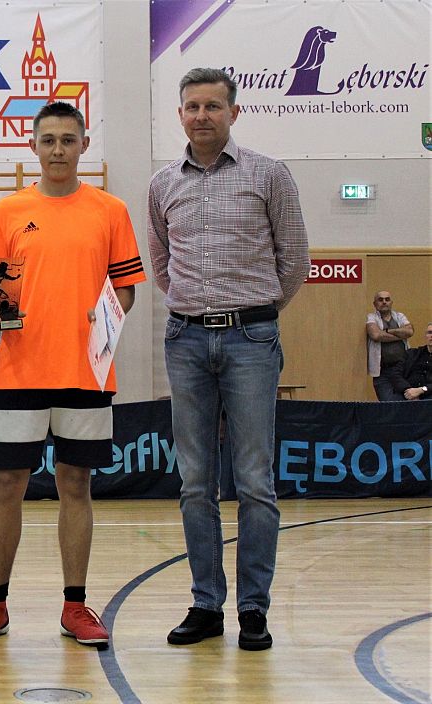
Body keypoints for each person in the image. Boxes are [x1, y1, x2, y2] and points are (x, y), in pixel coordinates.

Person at [0, 102, 145, 649]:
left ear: (83, 145)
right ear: (33, 146)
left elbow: (126, 290)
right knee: (6, 484)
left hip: (86, 372)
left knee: (75, 484)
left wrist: (108, 313)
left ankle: (75, 606)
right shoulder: (9, 210)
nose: (58, 149)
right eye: (48, 140)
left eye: (67, 139)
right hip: (19, 372)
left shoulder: (110, 210)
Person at [148, 68, 309, 651]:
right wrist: (195, 309)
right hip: (185, 340)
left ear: (233, 113)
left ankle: (253, 609)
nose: (201, 115)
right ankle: (205, 604)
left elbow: (294, 259)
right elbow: (161, 263)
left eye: (213, 106)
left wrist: (256, 314)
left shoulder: (269, 174)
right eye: (192, 106)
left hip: (252, 341)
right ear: (180, 114)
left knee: (255, 481)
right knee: (195, 482)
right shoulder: (163, 183)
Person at [366, 291, 413, 401]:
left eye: (387, 299)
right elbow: (376, 335)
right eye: (380, 300)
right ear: (374, 304)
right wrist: (400, 335)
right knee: (387, 403)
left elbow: (409, 332)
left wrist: (387, 331)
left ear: (391, 302)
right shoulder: (371, 317)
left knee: (407, 401)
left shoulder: (399, 316)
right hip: (382, 372)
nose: (384, 302)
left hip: (403, 368)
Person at [385, 322, 431, 400]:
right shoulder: (411, 354)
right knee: (391, 402)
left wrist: (422, 390)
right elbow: (395, 373)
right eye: (430, 333)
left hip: (429, 395)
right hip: (406, 393)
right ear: (425, 336)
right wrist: (408, 391)